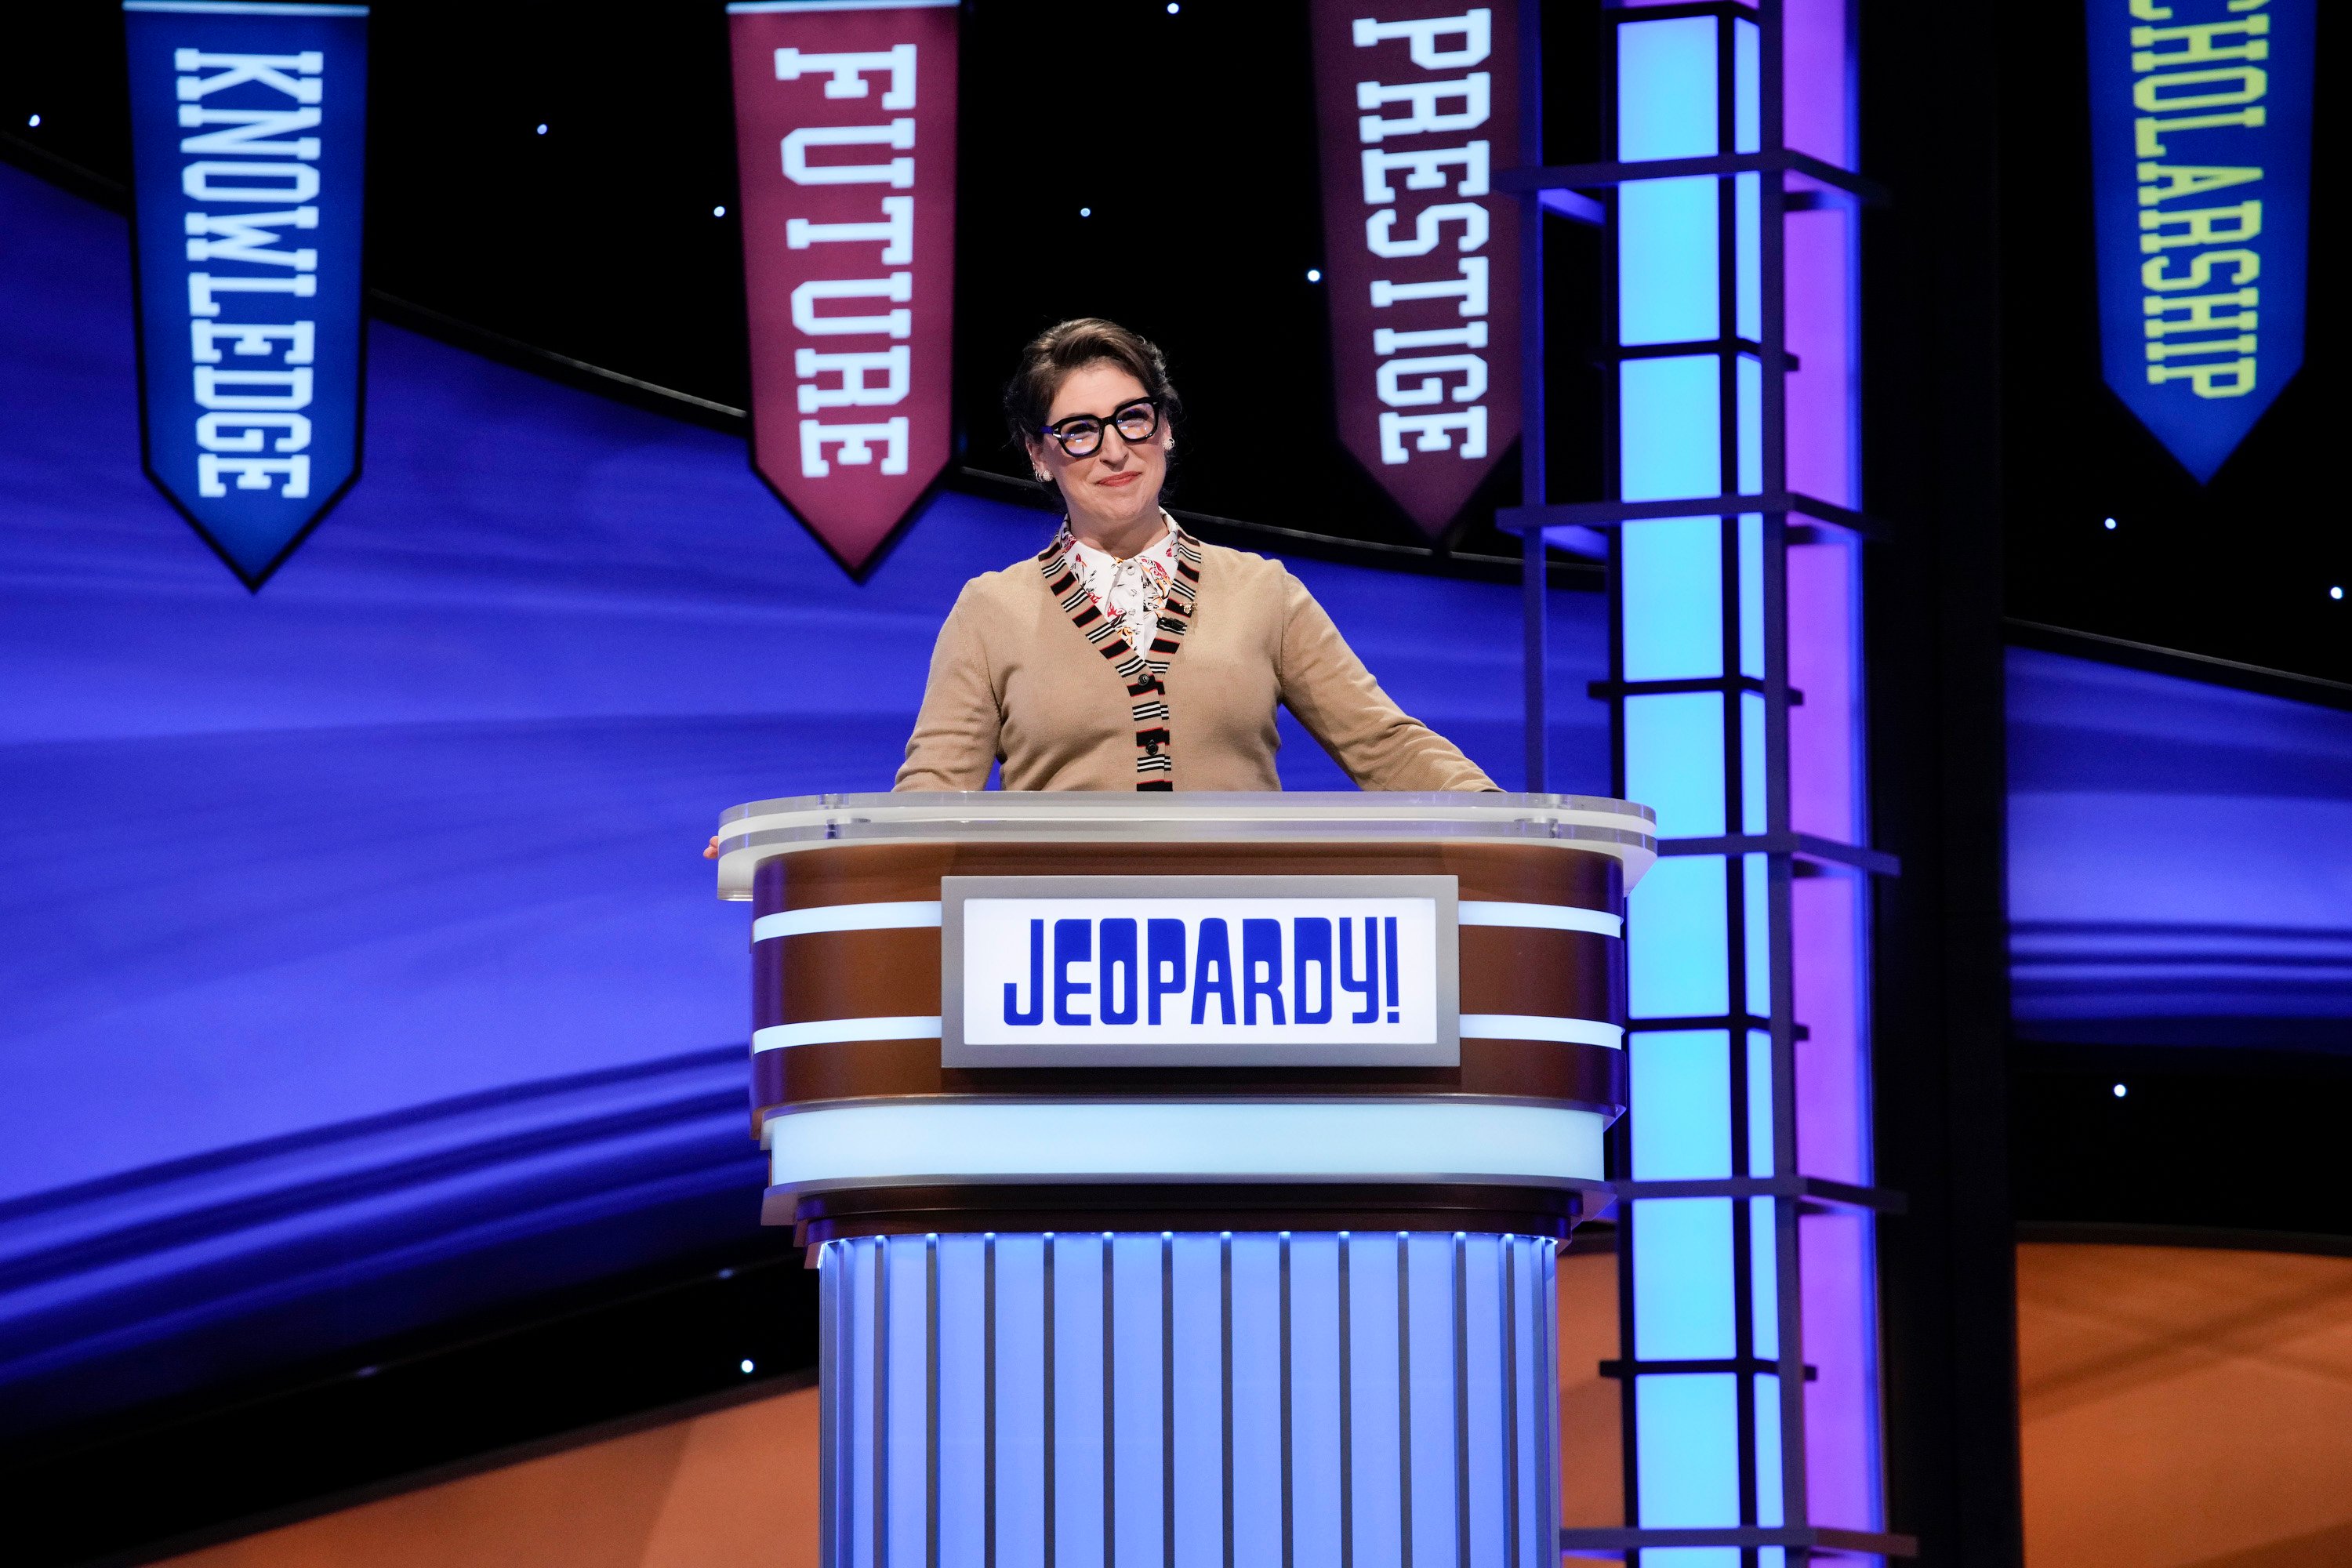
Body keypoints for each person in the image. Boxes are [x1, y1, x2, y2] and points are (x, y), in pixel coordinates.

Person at [895, 318, 1496, 793]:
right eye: (1080, 430)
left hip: (1236, 938)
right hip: (1064, 939)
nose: (1114, 451)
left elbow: (1385, 746)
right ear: (1038, 455)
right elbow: (933, 796)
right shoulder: (990, 611)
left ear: (1166, 429)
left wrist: (1503, 823)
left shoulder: (1263, 591)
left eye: (1133, 418)